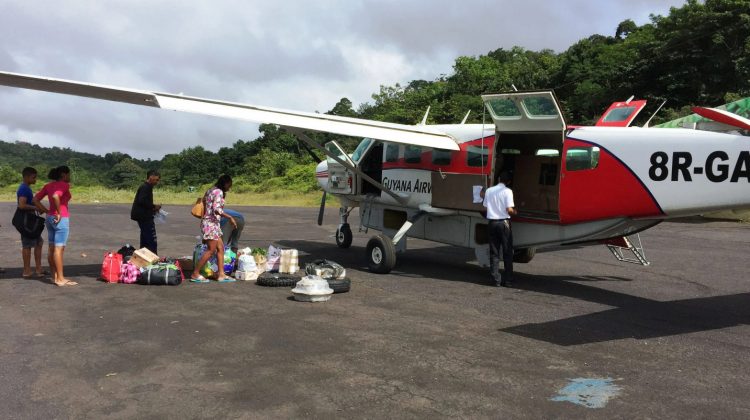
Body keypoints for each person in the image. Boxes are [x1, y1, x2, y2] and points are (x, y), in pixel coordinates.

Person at [34, 166, 77, 287]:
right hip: (61, 219)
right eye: (68, 174)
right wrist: (58, 212)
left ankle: (54, 277)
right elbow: (55, 196)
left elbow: (35, 199)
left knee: (51, 248)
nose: (69, 177)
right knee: (59, 249)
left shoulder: (48, 185)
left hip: (50, 218)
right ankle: (61, 279)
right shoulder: (63, 185)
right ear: (64, 175)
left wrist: (46, 211)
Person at [191, 175, 237, 283]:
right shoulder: (219, 192)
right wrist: (230, 217)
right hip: (210, 224)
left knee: (220, 248)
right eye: (229, 186)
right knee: (211, 250)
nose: (229, 188)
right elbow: (216, 210)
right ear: (225, 183)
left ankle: (221, 274)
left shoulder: (210, 190)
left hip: (211, 223)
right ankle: (195, 273)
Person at [483, 172, 517, 287]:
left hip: (492, 223)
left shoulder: (489, 190)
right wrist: (516, 212)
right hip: (504, 223)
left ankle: (495, 279)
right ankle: (508, 280)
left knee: (494, 252)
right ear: (509, 182)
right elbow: (509, 210)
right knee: (507, 252)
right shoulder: (508, 191)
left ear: (498, 179)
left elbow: (485, 207)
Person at [17, 167, 48, 278]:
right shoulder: (24, 189)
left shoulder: (26, 188)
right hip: (27, 222)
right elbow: (21, 205)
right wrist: (36, 207)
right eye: (33, 177)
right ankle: (27, 271)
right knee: (27, 245)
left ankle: (38, 269)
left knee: (39, 242)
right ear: (26, 177)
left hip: (29, 220)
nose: (35, 179)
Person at [130, 169, 162, 254]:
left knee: (145, 238)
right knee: (151, 239)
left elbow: (144, 201)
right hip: (144, 217)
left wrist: (152, 208)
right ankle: (152, 258)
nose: (157, 182)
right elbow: (142, 201)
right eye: (157, 179)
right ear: (151, 177)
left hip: (143, 216)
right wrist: (154, 207)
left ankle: (143, 257)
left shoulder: (147, 187)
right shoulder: (145, 187)